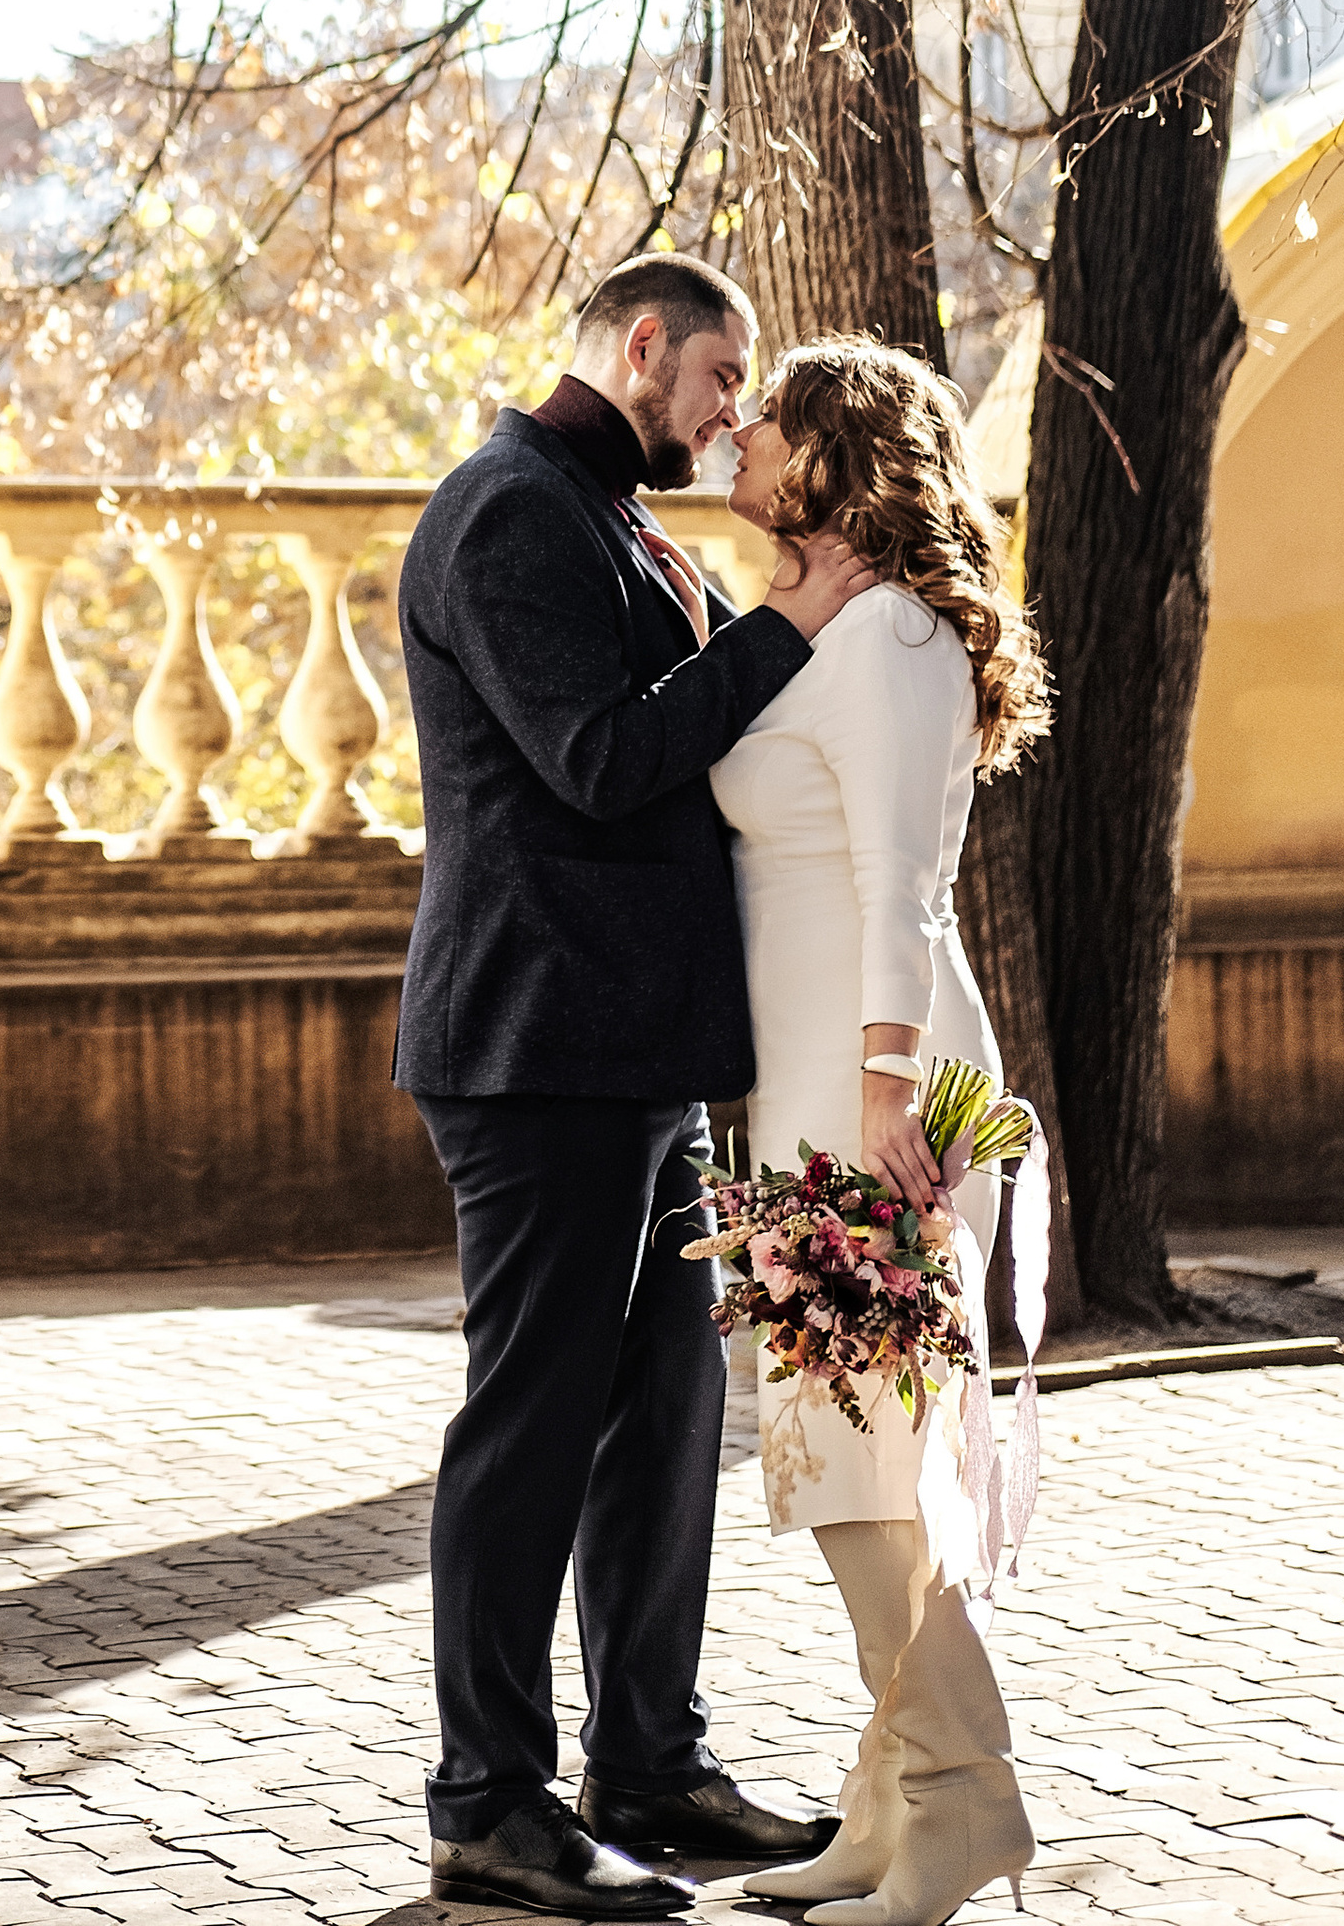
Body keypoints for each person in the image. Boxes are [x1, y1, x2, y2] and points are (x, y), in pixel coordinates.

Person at [396, 252, 872, 1920]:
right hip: (537, 1053)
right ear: (644, 344)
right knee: (530, 1423)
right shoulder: (509, 512)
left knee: (666, 1420)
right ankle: (487, 1803)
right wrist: (793, 621)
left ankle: (649, 1767)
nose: (729, 413)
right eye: (720, 379)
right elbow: (599, 759)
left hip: (636, 1057)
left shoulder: (607, 517)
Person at [713, 338, 1053, 1926]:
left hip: (875, 1098)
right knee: (843, 1459)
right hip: (815, 1088)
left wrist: (884, 1095)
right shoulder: (827, 630)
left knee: (859, 1476)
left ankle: (966, 1808)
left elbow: (909, 890)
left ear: (835, 453)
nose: (738, 429)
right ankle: (880, 1810)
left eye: (765, 416)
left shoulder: (901, 637)